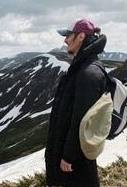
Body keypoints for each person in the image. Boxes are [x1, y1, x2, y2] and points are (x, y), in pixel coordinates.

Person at [45, 19, 108, 187]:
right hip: (71, 157)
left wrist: (69, 156)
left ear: (80, 36)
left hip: (74, 162)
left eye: (68, 35)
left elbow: (81, 119)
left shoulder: (88, 72)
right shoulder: (81, 67)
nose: (65, 40)